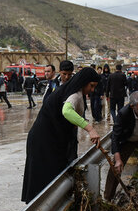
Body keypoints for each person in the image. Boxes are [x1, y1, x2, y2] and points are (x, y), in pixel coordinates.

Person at [21, 67, 101, 203]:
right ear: (84, 82)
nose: (92, 90)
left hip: (49, 140)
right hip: (43, 141)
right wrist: (90, 129)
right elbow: (67, 112)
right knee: (44, 178)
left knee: (53, 177)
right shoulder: (74, 95)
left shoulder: (71, 91)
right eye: (91, 86)